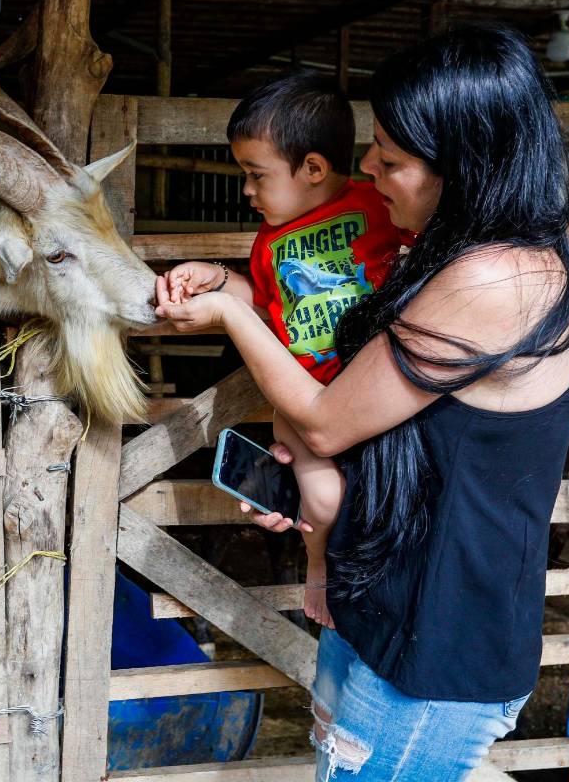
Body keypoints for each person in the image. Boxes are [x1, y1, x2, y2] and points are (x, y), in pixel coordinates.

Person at [155, 24, 569, 781]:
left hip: (436, 648)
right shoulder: (438, 249)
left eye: (390, 159)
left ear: (463, 167)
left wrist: (233, 314)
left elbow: (325, 416)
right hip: (383, 604)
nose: (367, 169)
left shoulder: (496, 279)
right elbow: (386, 425)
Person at [160, 71, 404, 628]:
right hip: (299, 392)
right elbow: (267, 302)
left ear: (313, 169)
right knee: (316, 492)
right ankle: (317, 565)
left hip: (368, 384)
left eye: (255, 175)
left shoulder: (376, 207)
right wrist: (218, 282)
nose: (246, 190)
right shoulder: (269, 241)